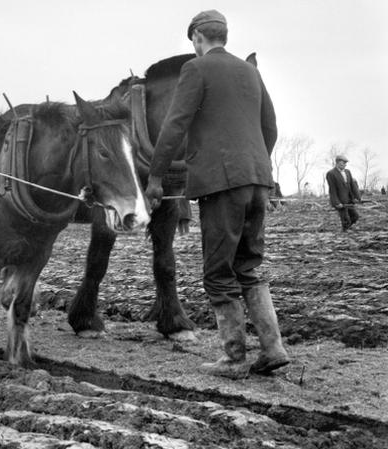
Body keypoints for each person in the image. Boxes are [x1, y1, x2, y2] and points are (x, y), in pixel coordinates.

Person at [145, 10, 289, 378]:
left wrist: (156, 176)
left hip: (223, 185)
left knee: (218, 272)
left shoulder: (196, 69)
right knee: (249, 266)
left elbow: (176, 124)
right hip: (258, 179)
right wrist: (256, 167)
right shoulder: (250, 70)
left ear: (196, 38)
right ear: (224, 35)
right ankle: (272, 348)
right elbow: (270, 127)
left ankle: (233, 357)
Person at [326, 155, 361, 232]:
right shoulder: (331, 173)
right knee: (345, 218)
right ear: (337, 162)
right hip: (340, 201)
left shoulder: (348, 172)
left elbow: (352, 185)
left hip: (349, 199)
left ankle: (347, 228)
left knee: (355, 216)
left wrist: (357, 197)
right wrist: (337, 202)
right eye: (343, 162)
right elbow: (332, 190)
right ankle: (345, 231)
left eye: (346, 163)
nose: (345, 164)